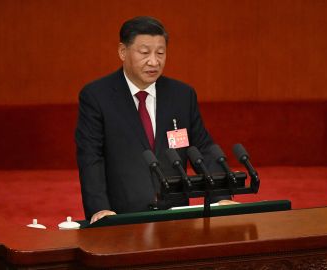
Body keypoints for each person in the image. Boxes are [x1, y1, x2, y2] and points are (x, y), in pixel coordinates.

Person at [75, 16, 233, 224]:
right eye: (144, 53)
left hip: (175, 218)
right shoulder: (97, 96)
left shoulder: (182, 96)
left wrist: (221, 198)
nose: (154, 61)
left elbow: (202, 149)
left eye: (160, 53)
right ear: (123, 52)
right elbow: (91, 158)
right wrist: (100, 209)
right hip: (123, 219)